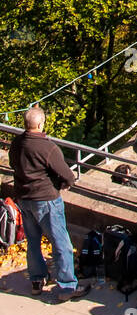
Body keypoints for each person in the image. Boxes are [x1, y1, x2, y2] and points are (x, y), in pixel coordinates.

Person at [9, 105, 89, 302]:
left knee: (33, 241)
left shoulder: (17, 142)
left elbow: (13, 164)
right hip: (46, 200)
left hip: (24, 199)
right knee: (61, 243)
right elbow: (68, 175)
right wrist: (62, 183)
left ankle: (37, 280)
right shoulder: (47, 147)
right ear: (41, 123)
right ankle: (67, 286)